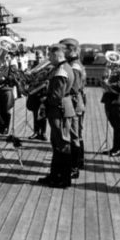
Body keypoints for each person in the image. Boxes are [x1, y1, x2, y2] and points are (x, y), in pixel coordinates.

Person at [37, 44, 76, 188]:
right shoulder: (63, 68)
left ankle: (63, 179)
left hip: (59, 111)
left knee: (62, 144)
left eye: (50, 56)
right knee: (57, 144)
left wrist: (44, 99)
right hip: (60, 110)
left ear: (56, 55)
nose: (49, 58)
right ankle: (55, 175)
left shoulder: (61, 71)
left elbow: (56, 96)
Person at [59, 38, 86, 177]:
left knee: (74, 136)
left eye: (64, 50)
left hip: (74, 104)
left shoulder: (74, 66)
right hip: (78, 103)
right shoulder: (76, 64)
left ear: (70, 50)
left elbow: (74, 89)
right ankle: (79, 162)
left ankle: (74, 168)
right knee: (77, 135)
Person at [100, 52, 120, 157]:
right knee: (115, 125)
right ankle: (115, 147)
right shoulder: (112, 70)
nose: (111, 61)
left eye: (113, 59)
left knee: (119, 125)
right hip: (110, 100)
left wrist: (107, 84)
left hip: (119, 101)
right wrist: (105, 76)